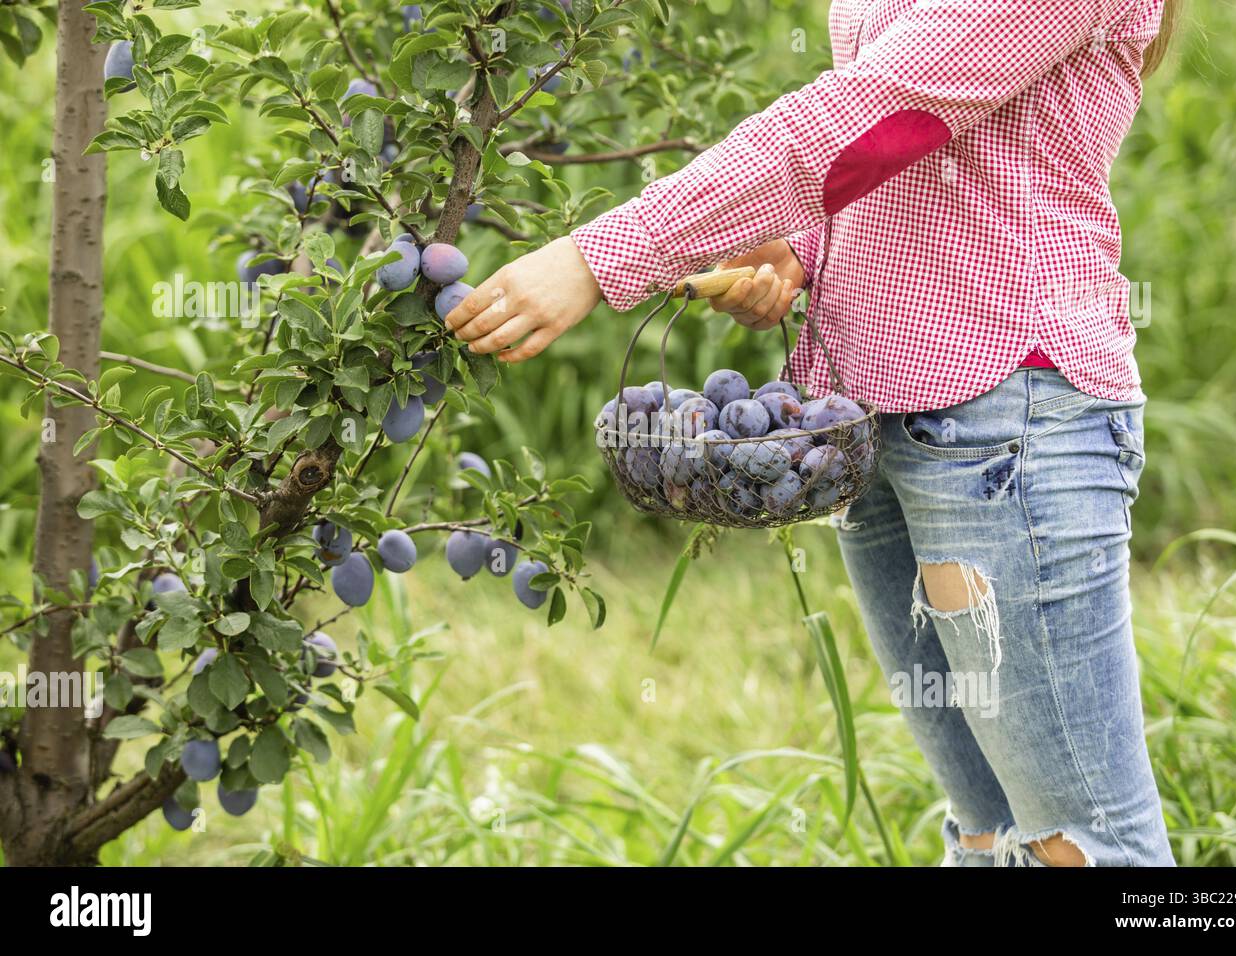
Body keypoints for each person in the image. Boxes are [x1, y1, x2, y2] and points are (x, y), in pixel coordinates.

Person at [445, 0, 1181, 867]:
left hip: (1004, 421)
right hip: (867, 422)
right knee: (985, 835)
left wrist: (600, 257)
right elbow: (901, 151)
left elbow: (865, 109)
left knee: (1084, 851)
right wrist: (802, 252)